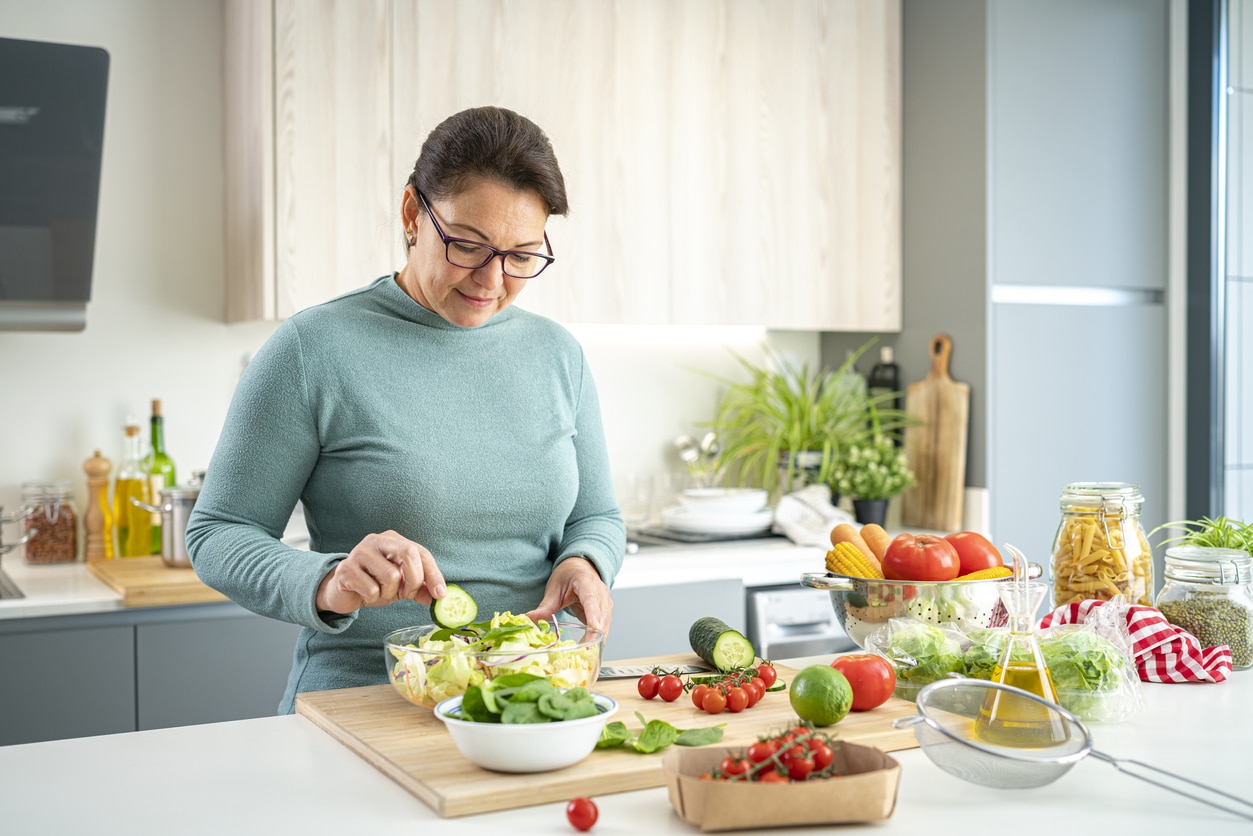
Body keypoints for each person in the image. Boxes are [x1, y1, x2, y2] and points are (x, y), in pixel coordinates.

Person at [186, 106, 625, 714]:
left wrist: (586, 561)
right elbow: (218, 535)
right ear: (412, 214)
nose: (493, 280)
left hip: (527, 706)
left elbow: (597, 514)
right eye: (468, 246)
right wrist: (330, 581)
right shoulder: (313, 349)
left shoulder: (558, 355)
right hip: (365, 705)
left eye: (522, 255)